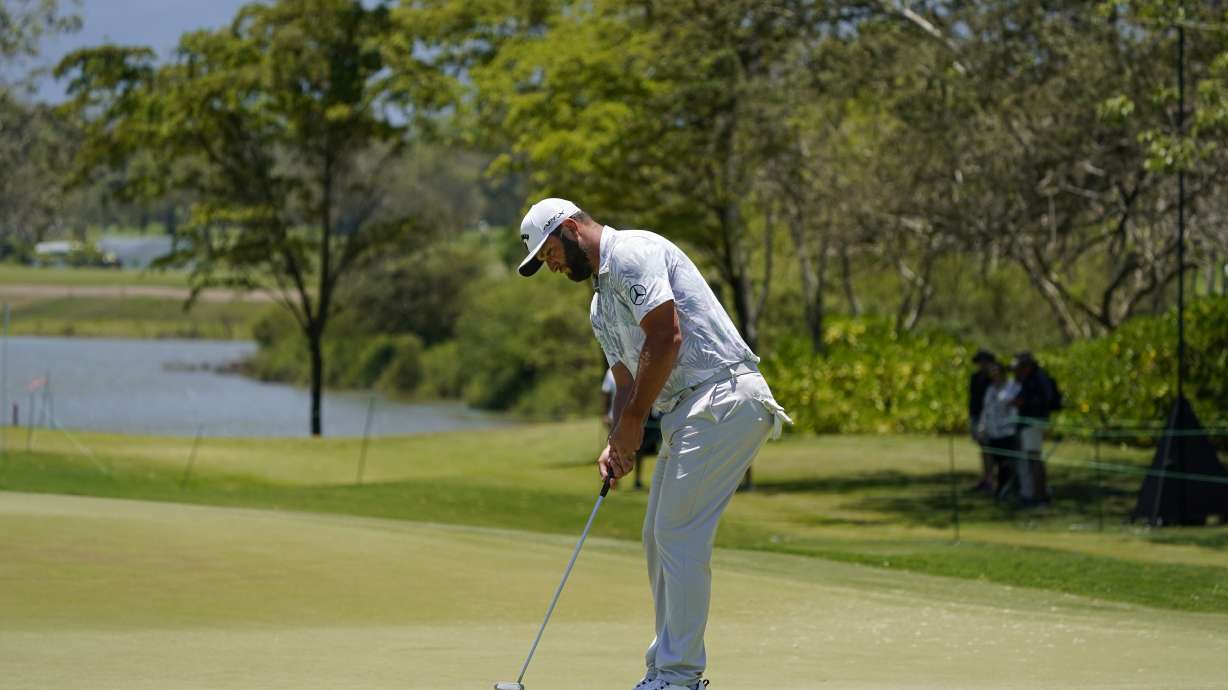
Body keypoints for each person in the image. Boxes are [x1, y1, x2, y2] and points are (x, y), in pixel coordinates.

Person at [517, 198, 792, 690]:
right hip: (690, 411)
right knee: (656, 535)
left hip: (725, 395)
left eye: (549, 251)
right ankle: (666, 670)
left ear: (570, 228)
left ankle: (679, 676)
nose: (550, 264)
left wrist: (636, 421)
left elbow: (667, 338)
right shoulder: (600, 306)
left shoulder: (633, 252)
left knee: (677, 533)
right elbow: (624, 381)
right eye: (542, 261)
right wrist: (618, 439)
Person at [603, 367, 662, 490]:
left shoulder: (637, 367)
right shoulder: (610, 372)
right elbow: (607, 394)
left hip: (636, 417)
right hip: (614, 417)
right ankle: (612, 480)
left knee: (637, 449)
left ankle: (637, 480)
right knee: (614, 450)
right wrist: (605, 414)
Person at [1011, 352, 1057, 507]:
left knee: (1034, 459)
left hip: (1033, 423)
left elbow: (1033, 402)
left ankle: (1039, 496)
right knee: (1033, 459)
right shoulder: (1033, 378)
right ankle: (1037, 494)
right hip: (1031, 423)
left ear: (1026, 366)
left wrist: (1019, 403)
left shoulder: (1035, 380)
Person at [975, 360, 1021, 499]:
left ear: (1002, 372)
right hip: (993, 432)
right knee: (997, 462)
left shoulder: (1012, 386)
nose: (994, 374)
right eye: (991, 372)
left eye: (996, 371)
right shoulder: (990, 389)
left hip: (1008, 431)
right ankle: (1000, 489)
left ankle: (1009, 490)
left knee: (1008, 463)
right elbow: (986, 410)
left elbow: (1015, 406)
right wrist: (982, 427)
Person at [968, 349, 996, 493]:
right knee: (983, 449)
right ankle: (986, 478)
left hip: (989, 418)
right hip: (976, 416)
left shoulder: (993, 379)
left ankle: (990, 479)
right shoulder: (975, 377)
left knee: (989, 449)